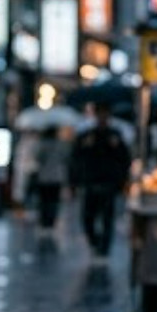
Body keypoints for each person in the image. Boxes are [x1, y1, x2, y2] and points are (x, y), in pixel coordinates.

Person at [69, 102, 132, 262]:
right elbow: (76, 157)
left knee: (107, 217)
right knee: (88, 217)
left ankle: (104, 249)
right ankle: (95, 243)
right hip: (91, 181)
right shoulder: (86, 135)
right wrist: (75, 181)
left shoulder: (115, 135)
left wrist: (122, 180)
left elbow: (124, 159)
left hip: (109, 182)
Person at [34, 126, 70, 231]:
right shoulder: (61, 145)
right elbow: (66, 158)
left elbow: (38, 158)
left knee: (44, 200)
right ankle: (51, 221)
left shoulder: (42, 145)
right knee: (54, 201)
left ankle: (44, 221)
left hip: (43, 177)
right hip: (56, 177)